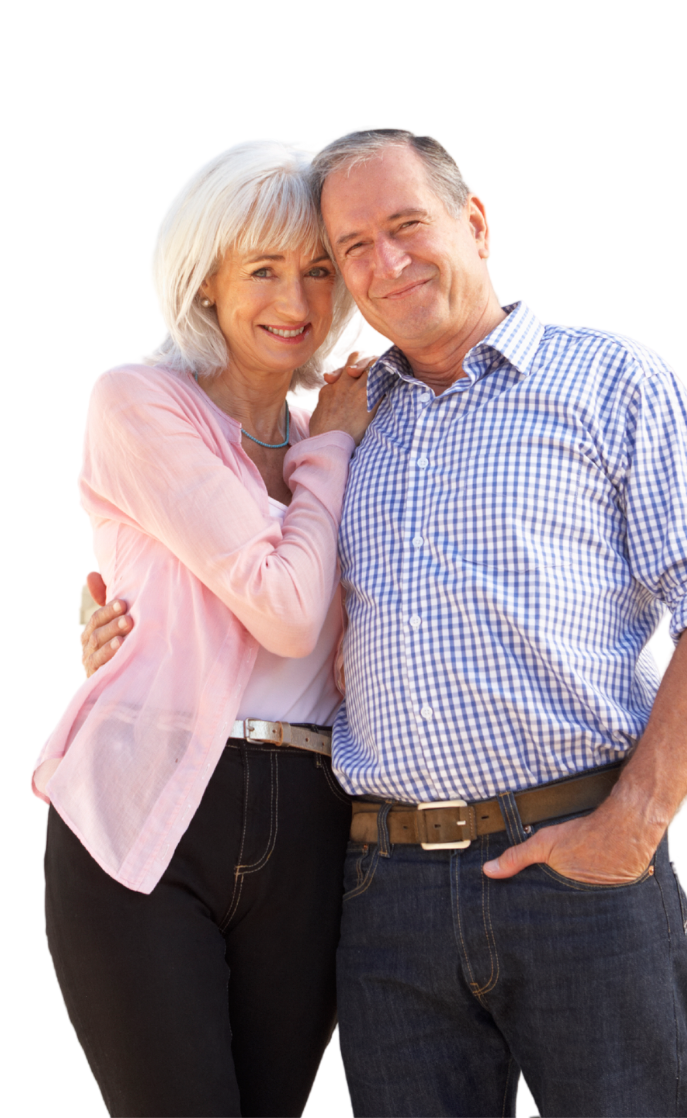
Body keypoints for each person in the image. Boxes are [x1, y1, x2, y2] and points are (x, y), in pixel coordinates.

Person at [80, 126, 687, 1118]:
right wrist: (110, 612)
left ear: (475, 220)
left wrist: (633, 823)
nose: (384, 263)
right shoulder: (344, 423)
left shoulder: (610, 379)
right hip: (383, 894)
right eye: (352, 248)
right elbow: (234, 574)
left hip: (579, 869)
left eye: (404, 226)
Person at [31, 136, 377, 1118]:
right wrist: (332, 454)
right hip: (144, 811)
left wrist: (330, 444)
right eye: (261, 268)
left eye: (318, 269)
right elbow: (282, 606)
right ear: (207, 281)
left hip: (312, 818)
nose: (296, 300)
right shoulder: (141, 400)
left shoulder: (337, 439)